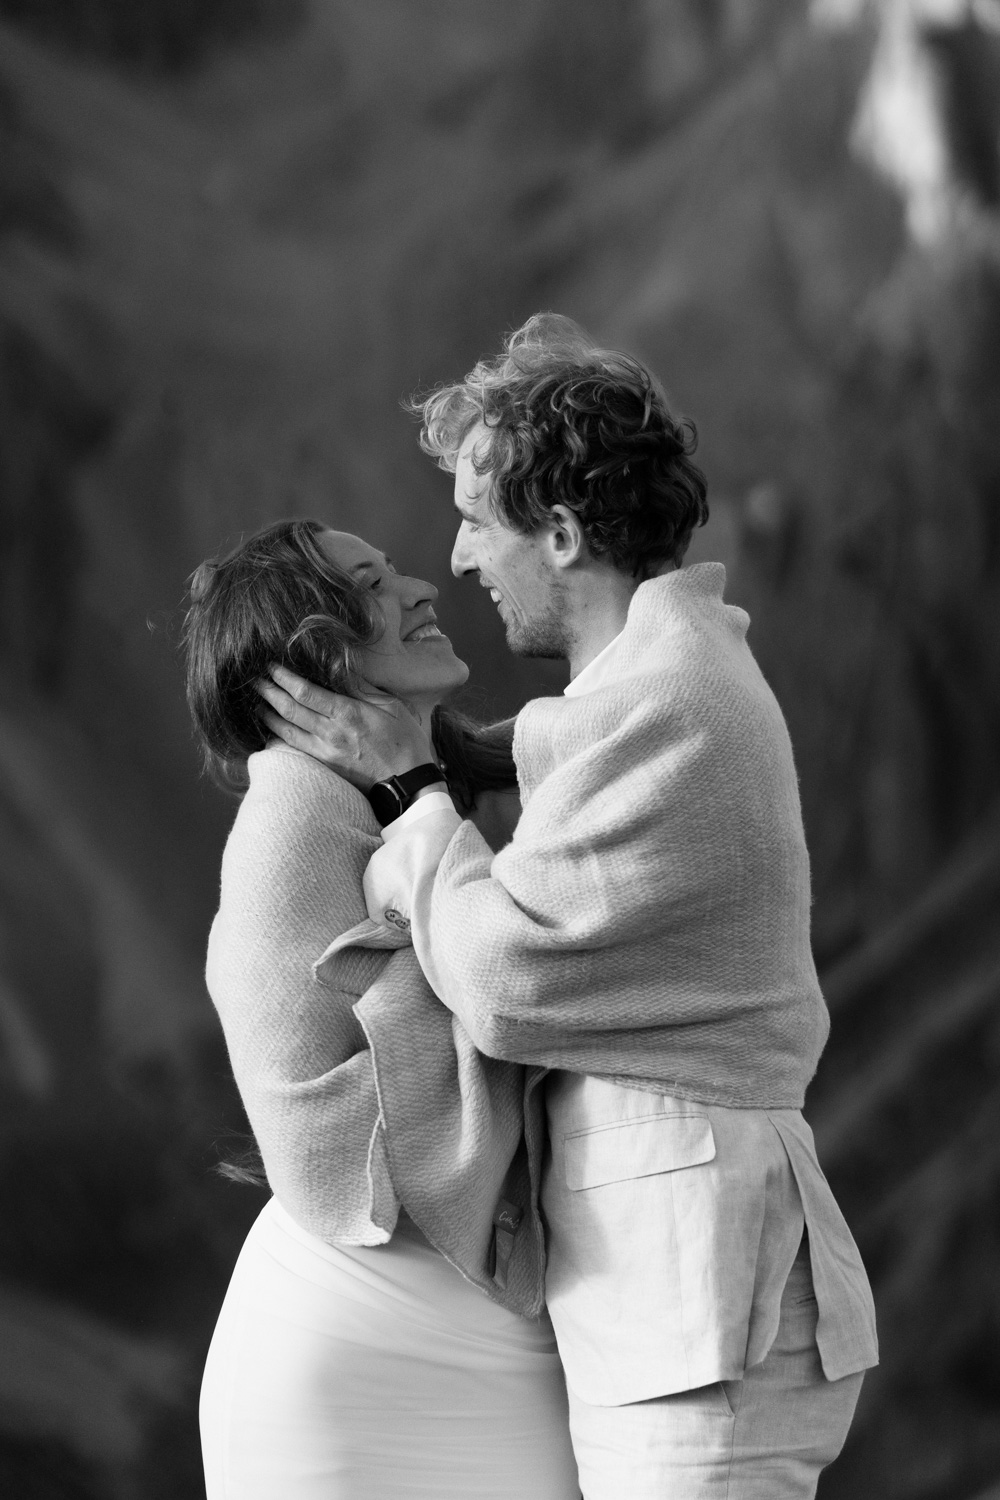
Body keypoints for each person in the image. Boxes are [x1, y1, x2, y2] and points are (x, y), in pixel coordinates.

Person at [257, 314, 880, 1500]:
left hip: (701, 1285)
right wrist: (461, 759)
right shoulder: (661, 677)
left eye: (479, 520)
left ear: (557, 530)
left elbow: (503, 982)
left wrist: (410, 792)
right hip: (690, 1285)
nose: (456, 553)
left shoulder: (674, 695)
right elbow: (573, 750)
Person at [184, 519, 579, 1500]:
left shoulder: (402, 785)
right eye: (370, 583)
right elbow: (315, 1149)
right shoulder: (294, 823)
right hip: (360, 1355)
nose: (419, 585)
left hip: (445, 1320)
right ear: (314, 659)